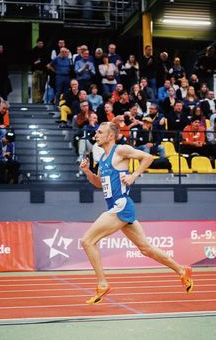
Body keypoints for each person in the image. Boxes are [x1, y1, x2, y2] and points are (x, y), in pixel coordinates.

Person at [78, 122, 193, 304]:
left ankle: (102, 283)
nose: (96, 135)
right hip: (118, 207)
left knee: (87, 241)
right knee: (146, 249)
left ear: (110, 136)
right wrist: (86, 172)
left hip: (121, 205)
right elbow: (99, 184)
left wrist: (133, 176)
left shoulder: (120, 150)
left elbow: (148, 158)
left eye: (100, 132)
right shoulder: (102, 159)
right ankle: (181, 270)